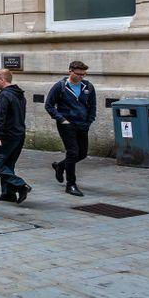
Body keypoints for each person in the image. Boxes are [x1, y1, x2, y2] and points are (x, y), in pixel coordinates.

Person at [45, 60, 96, 197]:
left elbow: (92, 107)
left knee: (82, 153)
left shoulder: (88, 87)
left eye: (83, 74)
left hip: (82, 124)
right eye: (78, 74)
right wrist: (62, 119)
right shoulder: (60, 86)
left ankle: (60, 166)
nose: (81, 77)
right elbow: (49, 105)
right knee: (72, 152)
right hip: (67, 125)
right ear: (70, 72)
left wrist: (89, 122)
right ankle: (71, 184)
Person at [0, 68, 31, 204]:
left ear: (3, 80)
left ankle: (20, 185)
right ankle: (8, 194)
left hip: (7, 135)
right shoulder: (19, 94)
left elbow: (0, 117)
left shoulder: (5, 95)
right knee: (8, 164)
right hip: (18, 134)